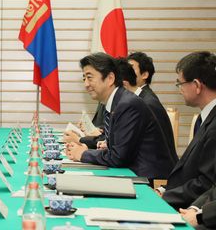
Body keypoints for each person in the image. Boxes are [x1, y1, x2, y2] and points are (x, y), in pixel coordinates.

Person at [65, 53, 175, 180]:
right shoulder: (117, 102)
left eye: (90, 78)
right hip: (132, 172)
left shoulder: (127, 104)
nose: (86, 84)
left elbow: (118, 158)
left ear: (110, 78)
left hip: (146, 179)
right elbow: (115, 147)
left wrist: (83, 154)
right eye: (84, 78)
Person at [160, 51, 216, 210]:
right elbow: (191, 170)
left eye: (180, 84)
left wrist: (165, 196)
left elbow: (206, 182)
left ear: (197, 85)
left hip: (194, 209)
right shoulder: (206, 117)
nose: (179, 90)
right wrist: (164, 190)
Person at [127, 52, 177, 161]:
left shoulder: (146, 102)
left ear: (145, 75)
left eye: (130, 69)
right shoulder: (139, 97)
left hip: (151, 168)